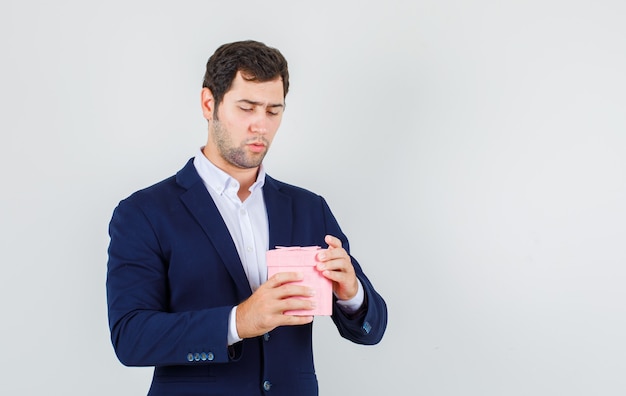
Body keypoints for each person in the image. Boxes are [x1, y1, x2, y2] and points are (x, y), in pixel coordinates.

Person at [106, 40, 387, 396]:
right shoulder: (144, 212)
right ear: (209, 104)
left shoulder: (309, 208)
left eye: (273, 111)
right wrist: (238, 322)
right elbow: (131, 338)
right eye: (247, 107)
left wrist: (352, 295)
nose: (261, 126)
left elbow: (371, 330)